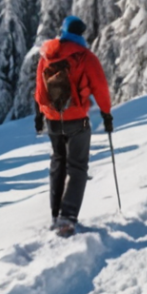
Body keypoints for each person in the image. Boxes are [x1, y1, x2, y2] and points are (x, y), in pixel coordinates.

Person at [33, 15, 114, 237]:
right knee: (77, 167)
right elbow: (100, 88)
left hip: (52, 118)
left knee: (58, 163)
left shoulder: (47, 55)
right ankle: (67, 218)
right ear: (80, 34)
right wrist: (106, 114)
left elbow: (40, 87)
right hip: (76, 118)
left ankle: (55, 214)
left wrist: (40, 113)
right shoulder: (85, 57)